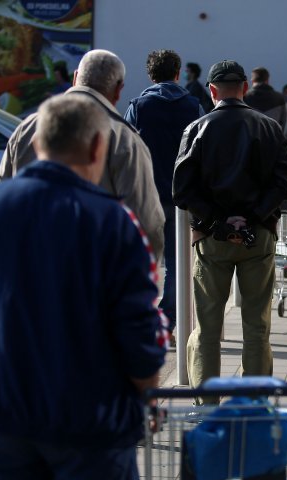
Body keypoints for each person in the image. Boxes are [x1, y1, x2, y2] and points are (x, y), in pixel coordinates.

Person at [0, 94, 167, 480]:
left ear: (36, 141)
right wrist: (149, 392)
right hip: (89, 420)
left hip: (3, 411)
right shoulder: (113, 222)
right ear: (98, 148)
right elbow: (138, 332)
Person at [173, 59, 287, 389]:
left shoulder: (196, 128)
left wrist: (219, 220)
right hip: (260, 234)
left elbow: (181, 189)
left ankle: (206, 402)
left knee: (207, 327)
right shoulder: (270, 127)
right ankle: (254, 403)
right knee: (257, 325)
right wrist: (252, 216)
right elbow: (283, 183)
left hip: (212, 237)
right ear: (244, 89)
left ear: (212, 91)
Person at [0, 49, 165, 259]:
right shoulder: (124, 138)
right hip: (93, 274)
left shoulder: (26, 128)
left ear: (75, 77)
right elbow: (144, 221)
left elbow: (2, 199)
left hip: (28, 269)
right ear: (118, 90)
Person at [125, 49, 204, 344]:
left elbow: (125, 149)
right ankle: (167, 321)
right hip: (181, 199)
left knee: (140, 264)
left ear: (150, 74)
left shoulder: (138, 106)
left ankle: (139, 320)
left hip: (145, 196)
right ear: (177, 72)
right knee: (177, 264)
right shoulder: (194, 106)